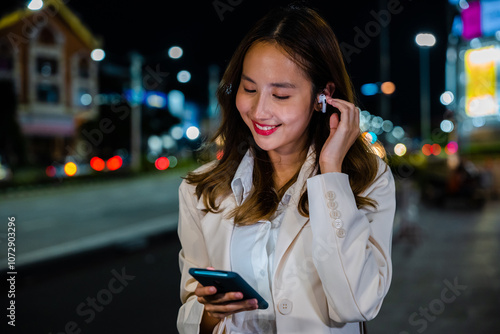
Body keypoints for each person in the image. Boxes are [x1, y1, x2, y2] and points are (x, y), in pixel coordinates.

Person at [177, 3, 396, 333]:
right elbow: (189, 314)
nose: (259, 110)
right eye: (249, 89)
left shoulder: (368, 180)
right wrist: (210, 313)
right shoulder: (201, 189)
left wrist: (331, 173)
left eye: (280, 95)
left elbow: (359, 302)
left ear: (324, 96)